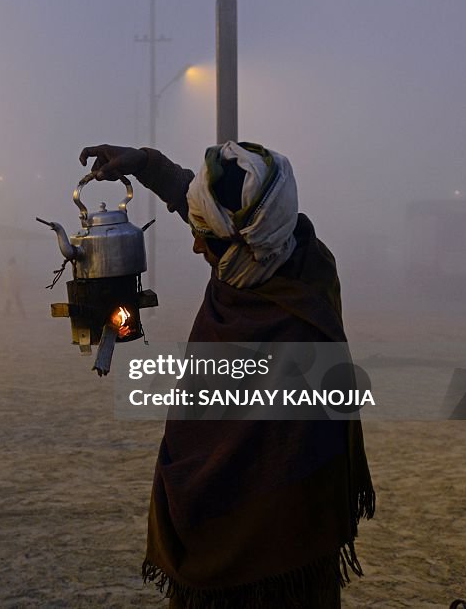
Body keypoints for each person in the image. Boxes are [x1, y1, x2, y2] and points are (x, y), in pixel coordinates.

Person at [80, 142, 375, 607]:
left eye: (207, 237)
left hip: (285, 556)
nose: (197, 243)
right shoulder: (291, 255)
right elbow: (209, 209)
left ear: (246, 242)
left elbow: (276, 456)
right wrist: (147, 163)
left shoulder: (297, 325)